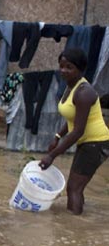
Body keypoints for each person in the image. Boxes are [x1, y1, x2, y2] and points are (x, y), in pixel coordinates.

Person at [39, 48, 109, 215]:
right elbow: (72, 119)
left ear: (80, 69)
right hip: (87, 143)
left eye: (69, 67)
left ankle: (74, 227)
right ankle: (79, 220)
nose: (63, 71)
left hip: (96, 143)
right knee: (76, 187)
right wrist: (57, 136)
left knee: (73, 189)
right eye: (61, 66)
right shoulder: (70, 86)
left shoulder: (84, 92)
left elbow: (78, 130)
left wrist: (52, 155)